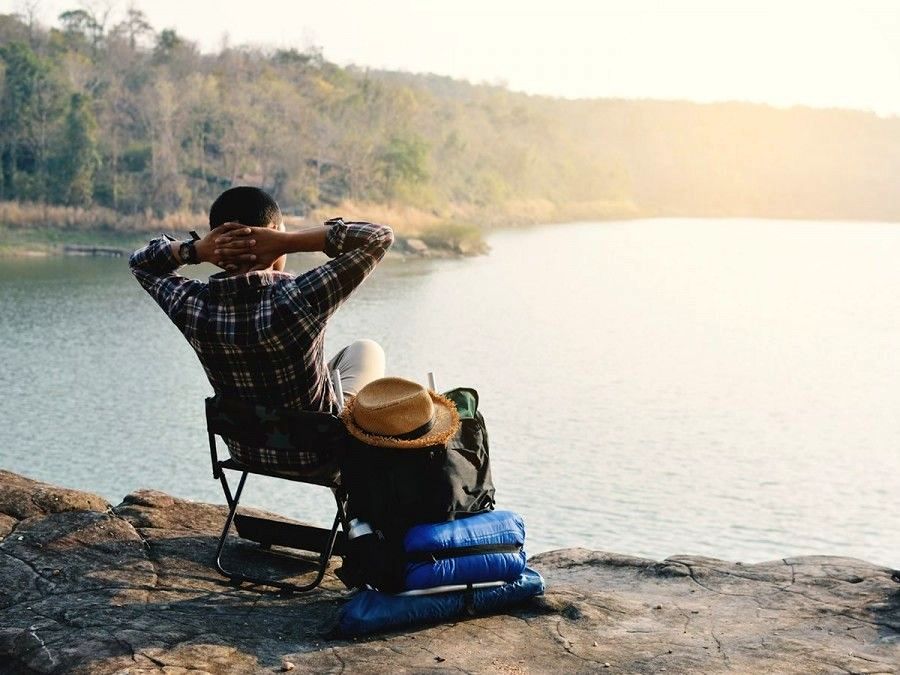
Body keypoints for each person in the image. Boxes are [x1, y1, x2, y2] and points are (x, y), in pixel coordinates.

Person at [129, 186, 393, 473]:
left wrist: (195, 250)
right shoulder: (299, 297)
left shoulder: (193, 306)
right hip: (320, 453)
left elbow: (141, 263)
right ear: (272, 233)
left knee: (336, 364)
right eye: (279, 234)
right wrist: (289, 241)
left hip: (246, 450)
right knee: (367, 350)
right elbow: (378, 237)